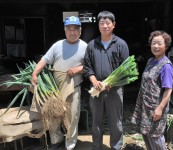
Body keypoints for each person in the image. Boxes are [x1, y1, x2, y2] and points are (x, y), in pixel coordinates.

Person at [31, 16, 87, 150]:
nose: (72, 32)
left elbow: (91, 67)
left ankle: (70, 141)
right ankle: (56, 140)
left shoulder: (85, 46)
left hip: (74, 88)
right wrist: (34, 73)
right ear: (65, 30)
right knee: (53, 114)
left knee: (72, 116)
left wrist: (78, 69)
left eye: (75, 29)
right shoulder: (57, 45)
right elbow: (44, 60)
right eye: (69, 29)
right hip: (55, 89)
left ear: (80, 30)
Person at [83, 11, 129, 150]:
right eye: (102, 23)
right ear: (98, 26)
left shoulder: (121, 44)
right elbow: (87, 66)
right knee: (96, 121)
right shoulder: (92, 45)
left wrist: (112, 83)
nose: (105, 26)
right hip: (96, 89)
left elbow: (126, 68)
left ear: (113, 25)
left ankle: (116, 146)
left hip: (114, 89)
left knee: (116, 121)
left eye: (108, 23)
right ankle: (96, 146)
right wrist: (94, 80)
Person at [131, 30, 173, 150]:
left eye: (159, 43)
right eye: (153, 43)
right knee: (145, 133)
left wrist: (160, 109)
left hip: (156, 108)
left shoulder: (166, 66)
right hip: (145, 106)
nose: (156, 46)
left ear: (166, 45)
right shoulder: (151, 61)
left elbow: (168, 90)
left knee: (156, 136)